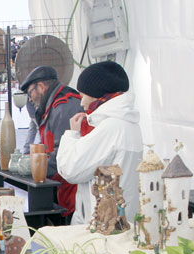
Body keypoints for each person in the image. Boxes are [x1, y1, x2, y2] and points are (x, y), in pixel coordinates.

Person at [56, 61, 143, 225]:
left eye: (83, 96)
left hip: (104, 226)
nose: (81, 103)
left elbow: (70, 169)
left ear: (96, 94)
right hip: (122, 220)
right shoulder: (129, 124)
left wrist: (72, 134)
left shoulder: (111, 128)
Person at [21, 65, 83, 218]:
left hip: (71, 187)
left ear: (41, 87)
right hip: (62, 183)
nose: (30, 98)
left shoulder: (63, 106)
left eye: (30, 93)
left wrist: (34, 171)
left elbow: (62, 153)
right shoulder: (53, 106)